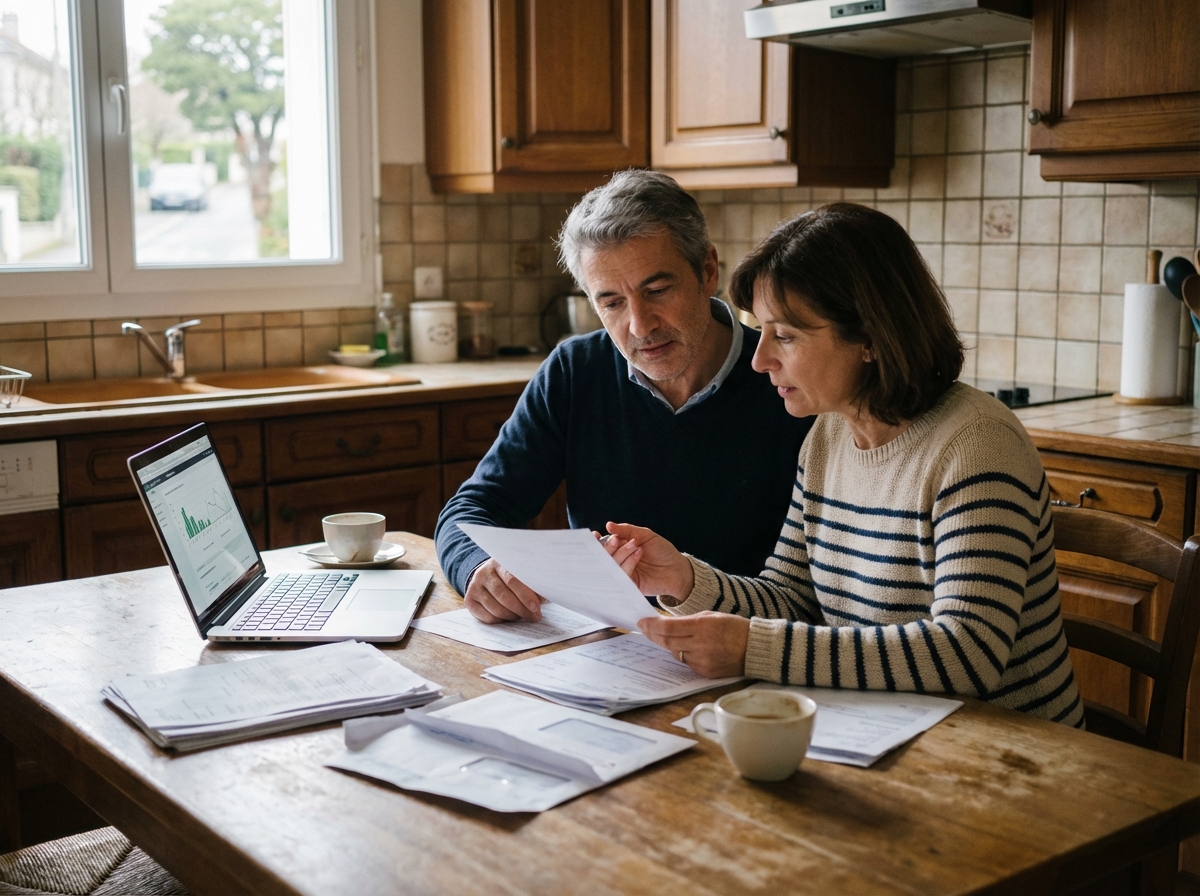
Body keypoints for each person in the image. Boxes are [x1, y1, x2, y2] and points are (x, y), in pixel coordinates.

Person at [604, 203, 1084, 727]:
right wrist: (683, 578)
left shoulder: (975, 445)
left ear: (871, 339)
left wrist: (754, 649)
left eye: (785, 335)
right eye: (760, 331)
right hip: (889, 729)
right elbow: (792, 599)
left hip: (1014, 757)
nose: (761, 359)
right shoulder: (829, 435)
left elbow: (967, 654)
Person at [434, 170, 813, 625]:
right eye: (611, 302)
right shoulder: (576, 370)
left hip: (751, 647)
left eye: (657, 290)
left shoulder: (787, 380)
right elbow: (471, 511)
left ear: (707, 271)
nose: (640, 325)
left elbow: (808, 589)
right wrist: (479, 568)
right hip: (608, 649)